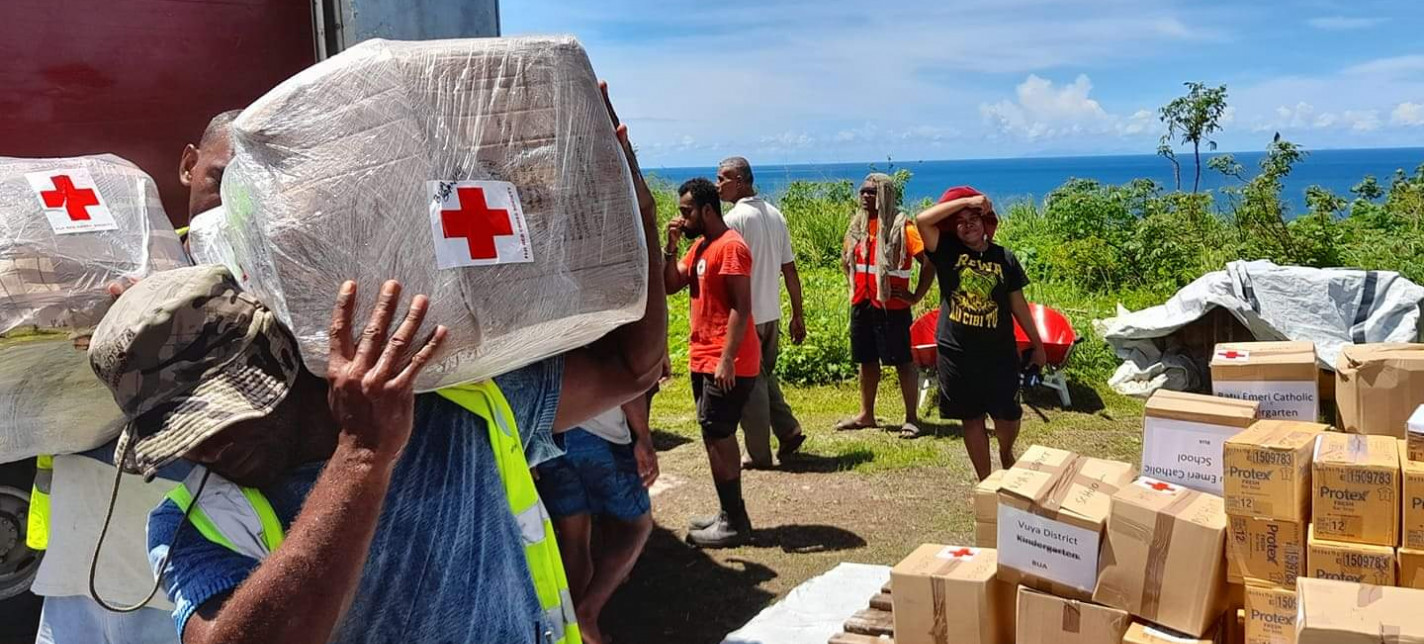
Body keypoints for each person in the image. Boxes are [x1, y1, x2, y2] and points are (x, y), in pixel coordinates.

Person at [92, 84, 667, 644]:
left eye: (216, 417)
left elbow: (630, 367)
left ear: (283, 363)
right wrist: (362, 456)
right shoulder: (195, 523)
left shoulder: (448, 408)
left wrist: (632, 200)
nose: (204, 450)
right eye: (177, 436)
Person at [27, 109, 242, 644]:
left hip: (183, 577)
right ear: (189, 165)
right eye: (220, 176)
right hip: (79, 562)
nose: (232, 198)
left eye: (250, 183)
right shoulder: (110, 264)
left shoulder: (263, 286)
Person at [914, 186, 1045, 480]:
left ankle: (1006, 451)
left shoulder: (1005, 258)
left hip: (998, 352)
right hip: (956, 352)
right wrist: (968, 201)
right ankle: (986, 482)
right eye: (959, 221)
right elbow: (922, 220)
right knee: (970, 418)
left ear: (986, 223)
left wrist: (1037, 344)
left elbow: (1018, 305)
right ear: (952, 229)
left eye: (973, 217)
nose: (967, 224)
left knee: (1007, 417)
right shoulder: (946, 251)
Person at [663, 177, 760, 548]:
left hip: (725, 359)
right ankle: (728, 512)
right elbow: (673, 284)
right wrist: (671, 249)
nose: (682, 219)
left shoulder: (731, 247)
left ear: (707, 210)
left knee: (720, 435)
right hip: (702, 357)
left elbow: (741, 306)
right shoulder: (701, 247)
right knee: (711, 433)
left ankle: (734, 520)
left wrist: (727, 359)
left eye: (686, 212)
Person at [533, 384, 660, 644]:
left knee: (574, 538)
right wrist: (644, 437)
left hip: (549, 436)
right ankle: (588, 612)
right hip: (602, 434)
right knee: (638, 526)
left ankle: (577, 632)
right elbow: (630, 381)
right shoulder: (606, 339)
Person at [715, 156, 806, 469]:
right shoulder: (775, 214)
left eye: (723, 178)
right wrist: (797, 313)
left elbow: (725, 273)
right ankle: (789, 430)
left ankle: (757, 453)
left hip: (747, 315)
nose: (718, 185)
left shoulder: (734, 220)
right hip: (771, 314)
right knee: (762, 378)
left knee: (749, 386)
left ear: (740, 180)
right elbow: (789, 270)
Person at [835, 173, 936, 436]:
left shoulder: (903, 227)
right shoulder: (857, 225)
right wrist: (852, 284)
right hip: (862, 303)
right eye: (863, 192)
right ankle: (866, 415)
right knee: (866, 360)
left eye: (872, 192)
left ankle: (911, 418)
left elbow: (928, 261)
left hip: (892, 308)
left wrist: (915, 296)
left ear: (885, 195)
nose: (866, 196)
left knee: (903, 361)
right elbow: (847, 259)